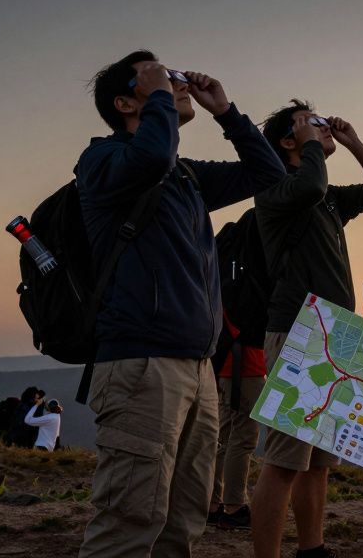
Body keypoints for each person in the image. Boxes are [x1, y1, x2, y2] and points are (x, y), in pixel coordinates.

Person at [76, 50, 285, 558]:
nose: (176, 82)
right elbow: (150, 157)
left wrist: (227, 113)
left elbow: (271, 177)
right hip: (141, 363)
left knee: (183, 521)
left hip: (198, 367)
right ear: (128, 102)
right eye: (159, 77)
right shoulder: (103, 160)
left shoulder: (186, 176)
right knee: (129, 521)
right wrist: (162, 98)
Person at [250, 100, 363, 558]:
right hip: (300, 330)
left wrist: (352, 141)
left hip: (337, 333)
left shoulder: (330, 198)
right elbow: (311, 183)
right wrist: (315, 143)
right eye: (309, 123)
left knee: (317, 463)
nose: (322, 127)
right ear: (287, 141)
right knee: (282, 463)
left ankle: (312, 548)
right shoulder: (278, 188)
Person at [207, 309, 266, 531]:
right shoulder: (246, 290)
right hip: (246, 366)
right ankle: (234, 508)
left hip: (225, 365)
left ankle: (212, 506)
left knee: (224, 437)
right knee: (243, 438)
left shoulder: (225, 282)